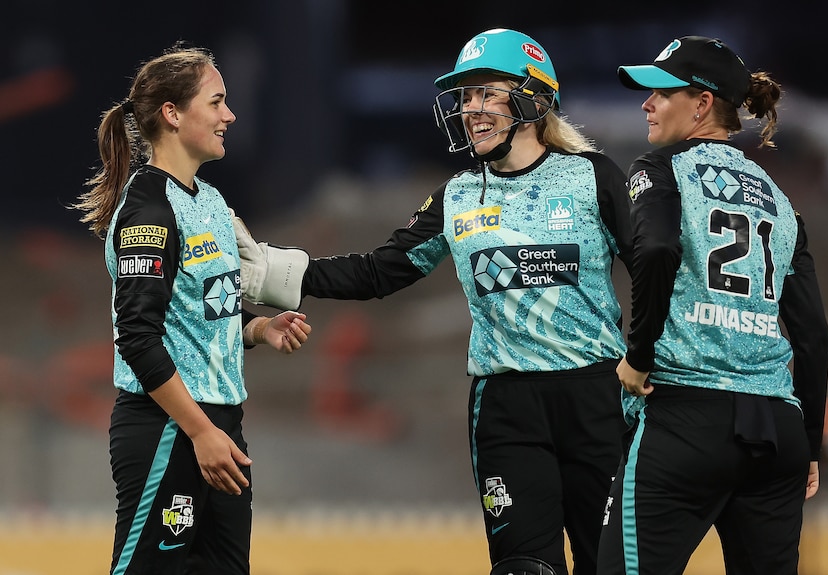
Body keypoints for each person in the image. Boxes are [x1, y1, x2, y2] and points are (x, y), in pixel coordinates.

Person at [233, 28, 633, 575]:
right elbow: (380, 270)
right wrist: (278, 274)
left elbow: (655, 272)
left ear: (533, 98)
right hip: (505, 408)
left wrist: (659, 363)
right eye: (466, 96)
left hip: (598, 398)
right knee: (523, 570)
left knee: (611, 566)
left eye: (487, 92)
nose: (471, 109)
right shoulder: (457, 195)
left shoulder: (595, 177)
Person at [71, 43, 312, 575]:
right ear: (173, 114)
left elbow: (199, 311)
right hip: (170, 428)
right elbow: (137, 336)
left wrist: (257, 328)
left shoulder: (209, 201)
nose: (230, 115)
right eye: (217, 102)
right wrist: (200, 431)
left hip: (222, 424)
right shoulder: (147, 211)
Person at [596, 36, 828, 574]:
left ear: (702, 104)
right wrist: (810, 442)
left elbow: (655, 248)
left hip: (686, 417)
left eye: (661, 91)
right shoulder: (781, 199)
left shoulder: (658, 169)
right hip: (777, 432)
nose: (646, 103)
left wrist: (639, 355)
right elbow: (813, 333)